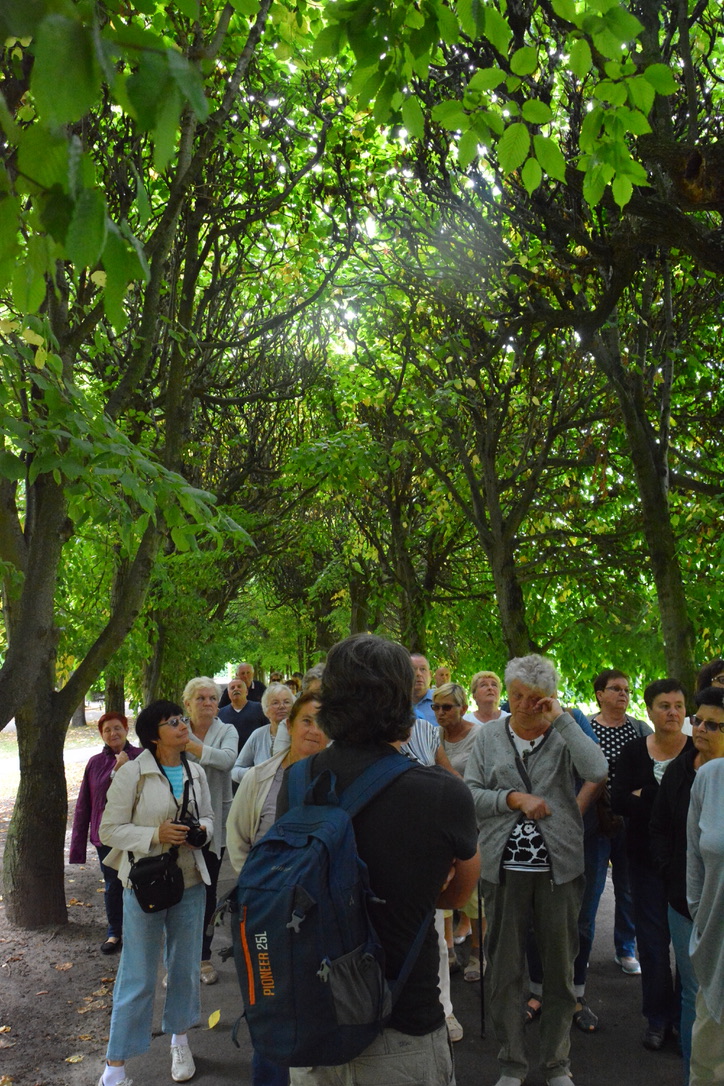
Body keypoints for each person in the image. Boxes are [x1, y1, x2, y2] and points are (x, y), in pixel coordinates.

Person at [282, 633, 480, 1086]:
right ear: (402, 700)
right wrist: (425, 884)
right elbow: (459, 896)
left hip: (315, 1018)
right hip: (402, 1020)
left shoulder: (297, 780)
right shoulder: (442, 792)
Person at [465, 653, 608, 1086]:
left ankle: (556, 1064)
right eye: (516, 696)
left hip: (558, 871)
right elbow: (471, 794)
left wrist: (560, 718)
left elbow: (597, 770)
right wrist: (512, 799)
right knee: (505, 972)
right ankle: (511, 1064)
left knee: (560, 973)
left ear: (550, 697)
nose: (525, 705)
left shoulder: (565, 731)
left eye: (535, 698)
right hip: (503, 870)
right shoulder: (489, 736)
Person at [98, 700, 214, 1086]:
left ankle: (180, 1040)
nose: (183, 725)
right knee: (138, 973)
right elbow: (108, 830)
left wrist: (202, 833)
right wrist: (155, 834)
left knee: (184, 968)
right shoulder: (133, 773)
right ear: (153, 736)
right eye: (172, 722)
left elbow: (210, 817)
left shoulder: (195, 770)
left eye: (182, 719)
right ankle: (115, 1068)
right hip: (145, 883)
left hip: (190, 881)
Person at [227, 691, 329, 1086]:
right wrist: (261, 891)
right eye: (307, 721)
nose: (314, 730)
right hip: (265, 912)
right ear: (289, 725)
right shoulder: (259, 778)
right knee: (269, 1002)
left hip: (321, 912)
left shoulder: (338, 780)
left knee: (318, 1001)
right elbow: (238, 838)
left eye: (324, 723)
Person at [611, 678, 693, 1051]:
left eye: (678, 705)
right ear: (649, 710)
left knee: (688, 947)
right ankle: (657, 1020)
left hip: (689, 867)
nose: (672, 712)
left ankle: (682, 1018)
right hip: (644, 862)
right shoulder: (633, 752)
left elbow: (693, 810)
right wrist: (665, 802)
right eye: (664, 706)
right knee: (653, 944)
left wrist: (646, 795)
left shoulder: (697, 751)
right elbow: (618, 801)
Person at [650, 685, 724, 1081]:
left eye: (713, 725)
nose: (700, 729)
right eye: (700, 721)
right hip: (694, 910)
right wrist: (692, 901)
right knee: (698, 1000)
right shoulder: (695, 774)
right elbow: (672, 835)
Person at [69, 711, 141, 954]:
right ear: (101, 735)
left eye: (117, 728)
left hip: (136, 833)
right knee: (113, 884)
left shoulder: (141, 757)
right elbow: (84, 804)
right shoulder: (95, 763)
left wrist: (125, 768)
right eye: (107, 730)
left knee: (139, 881)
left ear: (126, 729)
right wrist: (77, 847)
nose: (113, 733)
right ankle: (115, 932)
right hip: (106, 837)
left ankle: (138, 931)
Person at [182, 676, 238, 985]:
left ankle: (203, 958)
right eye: (200, 698)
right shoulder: (176, 727)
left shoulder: (227, 730)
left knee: (207, 891)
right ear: (187, 703)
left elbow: (227, 761)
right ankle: (178, 960)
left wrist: (190, 746)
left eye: (213, 698)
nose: (207, 703)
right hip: (178, 824)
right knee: (177, 892)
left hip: (214, 824)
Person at [433, 681, 483, 984]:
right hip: (440, 819)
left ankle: (478, 952)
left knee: (473, 889)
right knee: (442, 882)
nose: (440, 712)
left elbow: (480, 782)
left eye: (446, 707)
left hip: (471, 818)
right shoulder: (433, 734)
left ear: (463, 708)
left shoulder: (479, 736)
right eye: (435, 707)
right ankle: (449, 950)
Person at [686, 756, 724, 1086]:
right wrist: (701, 918)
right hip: (716, 946)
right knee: (708, 1065)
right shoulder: (711, 777)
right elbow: (694, 858)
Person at [231, 682, 295, 783]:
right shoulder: (258, 735)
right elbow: (235, 771)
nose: (282, 706)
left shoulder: (300, 735)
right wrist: (256, 773)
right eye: (275, 703)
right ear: (266, 710)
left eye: (286, 702)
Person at [218, 677, 266, 751]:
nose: (236, 689)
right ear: (228, 694)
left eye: (239, 687)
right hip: (231, 754)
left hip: (256, 753)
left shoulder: (259, 708)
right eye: (232, 688)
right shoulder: (221, 713)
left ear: (246, 692)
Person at [410, 652, 436, 724]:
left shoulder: (442, 702)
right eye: (413, 669)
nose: (418, 674)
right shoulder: (396, 703)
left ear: (430, 675)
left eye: (423, 669)